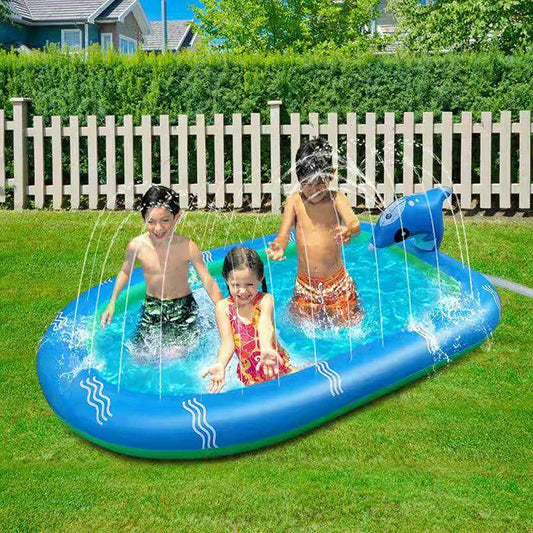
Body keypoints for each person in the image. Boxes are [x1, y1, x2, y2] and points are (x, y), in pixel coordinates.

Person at [100, 185, 223, 353]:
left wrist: (223, 308)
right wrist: (112, 302)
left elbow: (207, 280)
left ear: (176, 217)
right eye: (151, 221)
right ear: (143, 219)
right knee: (139, 355)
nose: (158, 228)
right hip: (152, 306)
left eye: (165, 220)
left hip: (182, 307)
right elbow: (125, 271)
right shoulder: (137, 246)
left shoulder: (187, 247)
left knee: (178, 354)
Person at [266, 137, 363, 327]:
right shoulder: (295, 201)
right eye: (307, 184)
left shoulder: (337, 199)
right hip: (305, 285)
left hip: (337, 283)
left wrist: (348, 230)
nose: (314, 190)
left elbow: (355, 223)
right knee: (299, 327)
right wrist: (279, 245)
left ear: (332, 174)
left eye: (320, 184)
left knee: (350, 325)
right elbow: (284, 234)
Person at [202, 247, 293, 393]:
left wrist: (265, 348)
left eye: (249, 284)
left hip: (276, 362)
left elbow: (265, 325)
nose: (243, 291)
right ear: (226, 279)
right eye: (236, 285)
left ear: (260, 279)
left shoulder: (265, 300)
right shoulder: (223, 308)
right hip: (250, 375)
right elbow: (227, 344)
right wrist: (220, 364)